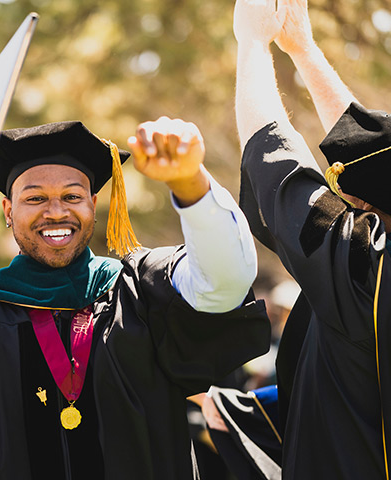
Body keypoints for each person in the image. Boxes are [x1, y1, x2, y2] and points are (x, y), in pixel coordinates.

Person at [0, 117, 270, 479]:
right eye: (35, 198)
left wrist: (191, 184)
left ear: (93, 204)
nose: (55, 211)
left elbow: (223, 285)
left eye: (72, 196)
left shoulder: (141, 291)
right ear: (8, 210)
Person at [230, 0, 391, 478]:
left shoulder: (367, 268)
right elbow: (373, 153)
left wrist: (253, 45)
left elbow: (279, 173)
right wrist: (303, 49)